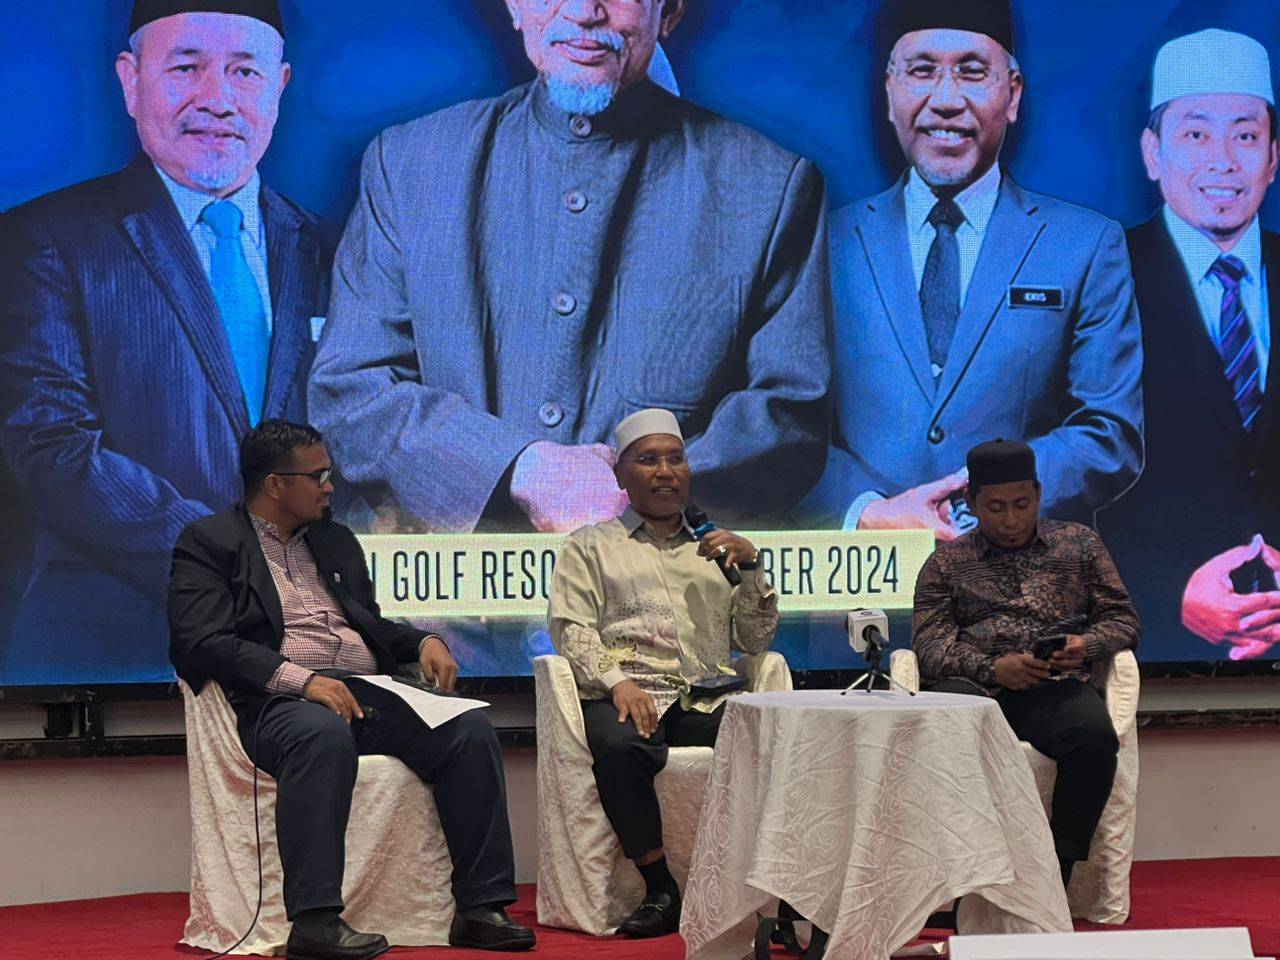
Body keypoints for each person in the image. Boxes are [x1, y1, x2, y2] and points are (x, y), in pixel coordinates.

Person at [309, 0, 832, 536]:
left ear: (670, 12)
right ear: (514, 6)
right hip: (452, 614)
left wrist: (634, 495)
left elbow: (788, 416)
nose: (585, 11)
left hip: (666, 601)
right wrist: (523, 468)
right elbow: (353, 392)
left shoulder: (770, 185)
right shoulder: (408, 166)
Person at [0, 0, 329, 684]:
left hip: (308, 656)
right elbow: (51, 444)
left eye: (244, 70)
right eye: (187, 66)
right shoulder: (45, 241)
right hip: (107, 653)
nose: (218, 98)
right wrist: (234, 562)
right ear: (130, 79)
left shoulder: (331, 251)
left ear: (280, 85)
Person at [168, 420, 535, 958]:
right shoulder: (210, 542)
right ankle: (315, 924)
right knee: (321, 735)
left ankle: (481, 908)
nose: (331, 486)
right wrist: (304, 680)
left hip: (367, 688)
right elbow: (201, 641)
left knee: (468, 727)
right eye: (318, 475)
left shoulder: (335, 539)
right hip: (277, 698)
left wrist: (421, 641)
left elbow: (368, 624)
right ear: (275, 484)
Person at [801, 0, 1142, 536]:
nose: (945, 100)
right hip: (865, 596)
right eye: (922, 70)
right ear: (889, 92)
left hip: (1029, 598)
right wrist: (868, 511)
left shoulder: (1086, 245)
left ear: (1013, 94)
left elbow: (1110, 432)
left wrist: (990, 490)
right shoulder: (821, 244)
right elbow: (784, 426)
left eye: (972, 71)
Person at [547, 408, 778, 937]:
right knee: (620, 747)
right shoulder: (591, 545)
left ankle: (766, 882)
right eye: (648, 460)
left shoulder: (717, 549)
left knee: (770, 735)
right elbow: (571, 629)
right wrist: (617, 683)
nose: (665, 471)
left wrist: (752, 572)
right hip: (627, 692)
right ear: (620, 475)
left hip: (705, 696)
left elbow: (756, 641)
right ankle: (660, 888)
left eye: (675, 459)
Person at [1103, 29, 1280, 661]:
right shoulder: (1102, 273)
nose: (1224, 161)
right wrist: (1170, 590)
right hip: (1150, 641)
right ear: (1152, 152)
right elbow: (1072, 484)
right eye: (1196, 134)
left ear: (1273, 154)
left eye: (1246, 135)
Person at [912, 439, 1140, 886]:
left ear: (1038, 494)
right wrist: (991, 668)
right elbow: (930, 646)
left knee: (1094, 738)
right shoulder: (945, 563)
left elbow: (1124, 620)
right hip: (974, 692)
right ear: (973, 502)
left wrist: (1085, 644)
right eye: (996, 507)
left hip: (1053, 688)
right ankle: (961, 877)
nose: (1011, 520)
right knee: (943, 731)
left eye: (1022, 504)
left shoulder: (1078, 545)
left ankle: (1056, 872)